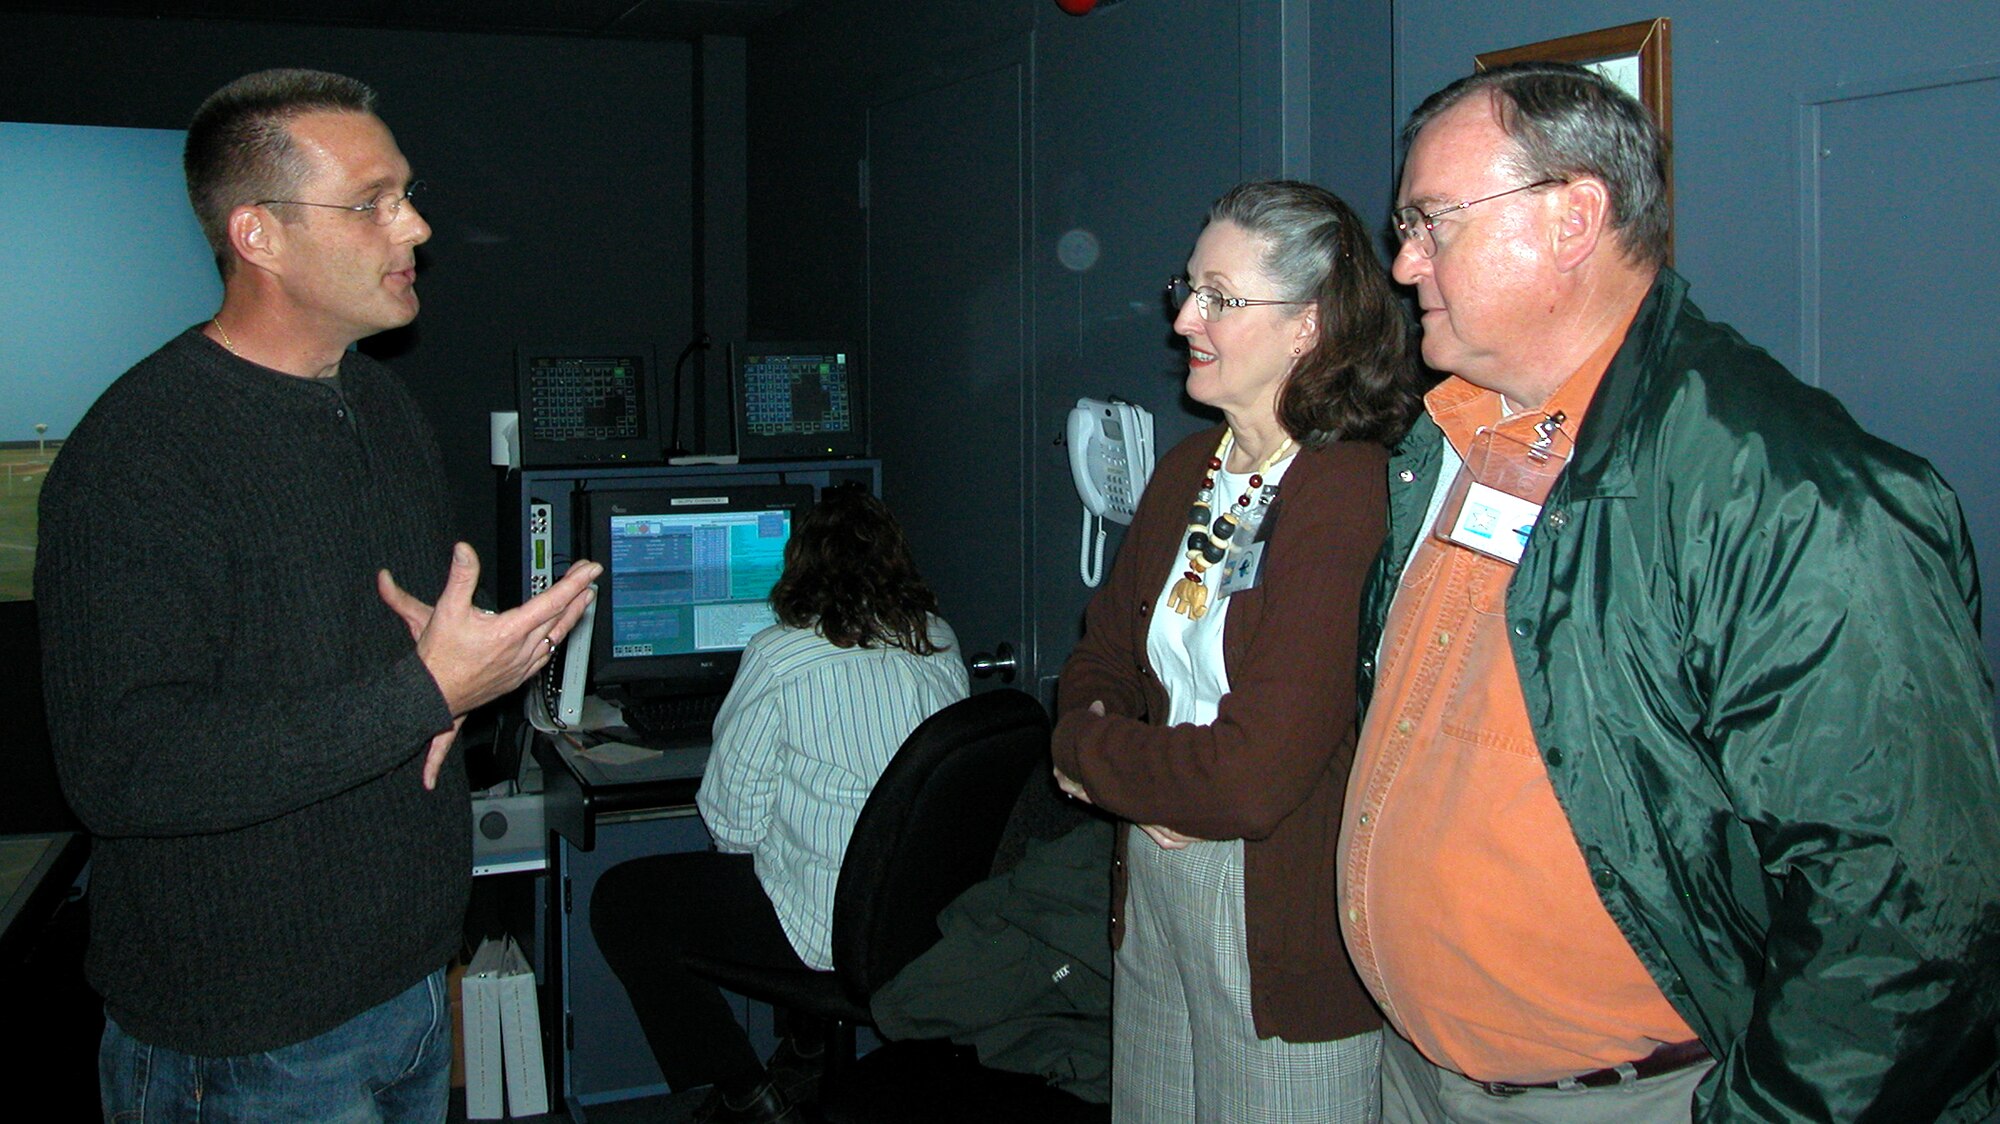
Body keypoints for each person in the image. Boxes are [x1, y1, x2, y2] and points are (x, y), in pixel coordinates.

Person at [1340, 61, 2000, 1123]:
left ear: (1571, 220)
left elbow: (1905, 913)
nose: (1404, 260)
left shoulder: (1788, 496)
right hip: (1420, 1071)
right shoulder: (1450, 436)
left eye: (1431, 221)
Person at [35, 68, 600, 1120]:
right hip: (247, 1041)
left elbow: (376, 678)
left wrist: (454, 683)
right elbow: (123, 768)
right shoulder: (140, 454)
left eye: (407, 193)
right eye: (371, 203)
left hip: (408, 979)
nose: (415, 226)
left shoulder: (380, 405)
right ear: (258, 234)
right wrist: (423, 693)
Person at [1051, 179, 1423, 1122]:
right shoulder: (1189, 470)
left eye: (1220, 297)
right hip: (1155, 879)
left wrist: (1098, 759)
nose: (1184, 318)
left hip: (1278, 917)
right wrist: (1145, 779)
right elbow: (1097, 663)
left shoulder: (1346, 493)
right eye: (1189, 288)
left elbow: (1253, 781)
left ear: (1308, 326)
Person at [590, 485, 969, 1124]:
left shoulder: (778, 654)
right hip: (920, 923)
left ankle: (747, 1094)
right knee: (792, 848)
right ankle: (807, 1046)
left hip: (828, 932)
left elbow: (731, 825)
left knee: (622, 903)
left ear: (799, 567)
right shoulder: (938, 639)